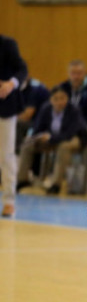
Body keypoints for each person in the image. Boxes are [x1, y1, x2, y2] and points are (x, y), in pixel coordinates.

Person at [16, 85, 87, 195]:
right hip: (52, 139)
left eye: (62, 98)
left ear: (67, 98)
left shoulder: (74, 110)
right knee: (28, 145)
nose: (60, 102)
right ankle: (22, 180)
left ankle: (56, 184)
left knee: (64, 147)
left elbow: (69, 134)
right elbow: (37, 129)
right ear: (51, 100)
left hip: (73, 138)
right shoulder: (46, 109)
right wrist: (39, 137)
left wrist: (51, 138)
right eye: (56, 99)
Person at [0, 34, 28, 217]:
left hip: (5, 106)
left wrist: (11, 83)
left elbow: (22, 69)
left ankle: (9, 200)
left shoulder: (8, 44)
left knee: (6, 154)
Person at [58, 59, 87, 126]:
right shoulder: (62, 88)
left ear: (85, 73)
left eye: (79, 73)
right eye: (73, 73)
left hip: (83, 127)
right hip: (62, 125)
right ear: (68, 73)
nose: (76, 77)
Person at [16, 76, 50, 153]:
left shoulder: (36, 89)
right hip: (32, 120)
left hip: (40, 123)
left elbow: (27, 116)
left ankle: (17, 152)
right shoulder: (19, 89)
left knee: (17, 123)